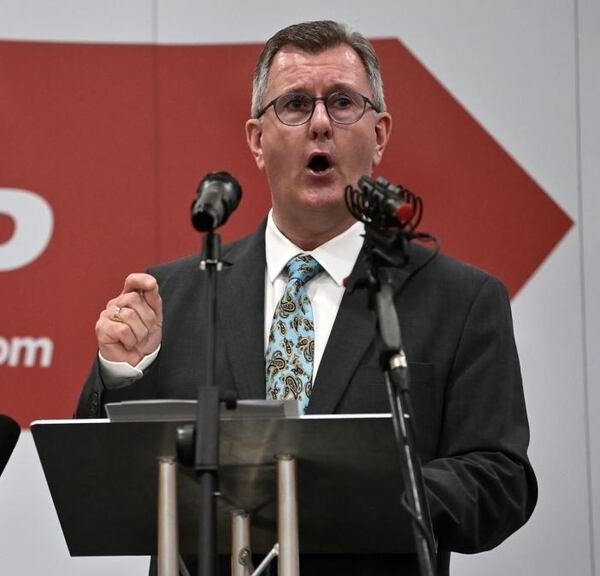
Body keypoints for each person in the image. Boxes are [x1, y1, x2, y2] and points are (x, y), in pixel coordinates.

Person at [74, 20, 536, 575]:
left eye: (342, 103)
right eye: (294, 105)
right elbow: (99, 475)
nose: (320, 124)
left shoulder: (462, 300)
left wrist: (381, 493)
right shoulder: (174, 295)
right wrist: (122, 372)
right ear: (256, 140)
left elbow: (502, 480)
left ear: (381, 133)